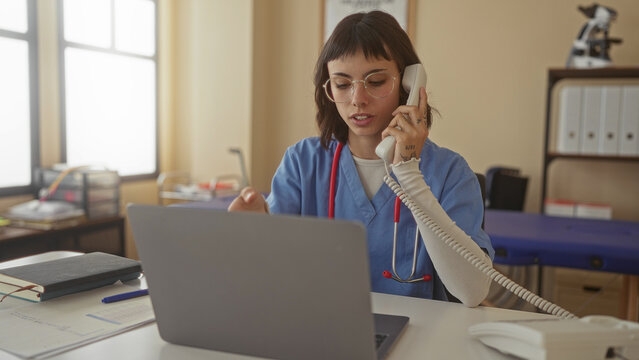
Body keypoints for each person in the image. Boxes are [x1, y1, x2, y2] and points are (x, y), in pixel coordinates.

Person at [229, 11, 494, 306]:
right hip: (321, 334)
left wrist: (408, 173)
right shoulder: (302, 163)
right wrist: (250, 238)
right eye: (342, 85)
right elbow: (272, 277)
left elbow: (472, 292)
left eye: (376, 81)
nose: (357, 99)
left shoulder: (450, 172)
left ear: (408, 84)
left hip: (417, 342)